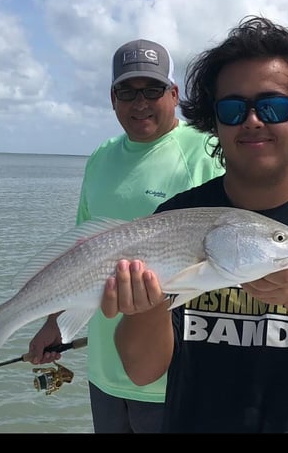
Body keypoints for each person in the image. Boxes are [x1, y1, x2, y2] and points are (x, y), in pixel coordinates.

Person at [100, 16, 288, 433]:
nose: (253, 120)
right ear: (214, 122)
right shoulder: (175, 218)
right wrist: (146, 306)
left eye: (273, 106)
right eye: (233, 108)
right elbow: (142, 371)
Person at [27, 39, 224, 433]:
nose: (140, 103)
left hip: (175, 378)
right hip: (104, 370)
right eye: (127, 92)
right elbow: (80, 253)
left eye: (152, 90)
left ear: (174, 94)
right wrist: (55, 323)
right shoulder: (101, 156)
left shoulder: (209, 151)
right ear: (111, 98)